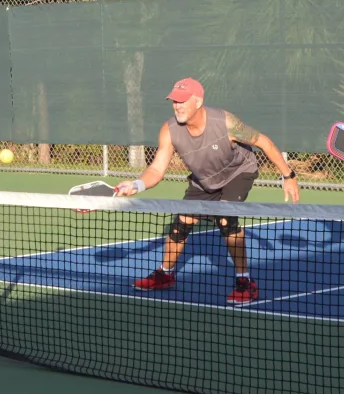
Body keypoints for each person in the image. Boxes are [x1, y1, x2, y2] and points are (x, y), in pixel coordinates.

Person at [115, 77, 300, 304]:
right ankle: (165, 274)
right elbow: (156, 169)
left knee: (225, 218)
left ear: (198, 101)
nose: (177, 106)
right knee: (181, 222)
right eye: (174, 101)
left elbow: (263, 142)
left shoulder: (225, 123)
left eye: (182, 101)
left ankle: (244, 281)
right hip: (204, 179)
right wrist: (137, 184)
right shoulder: (169, 130)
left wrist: (288, 175)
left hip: (238, 172)